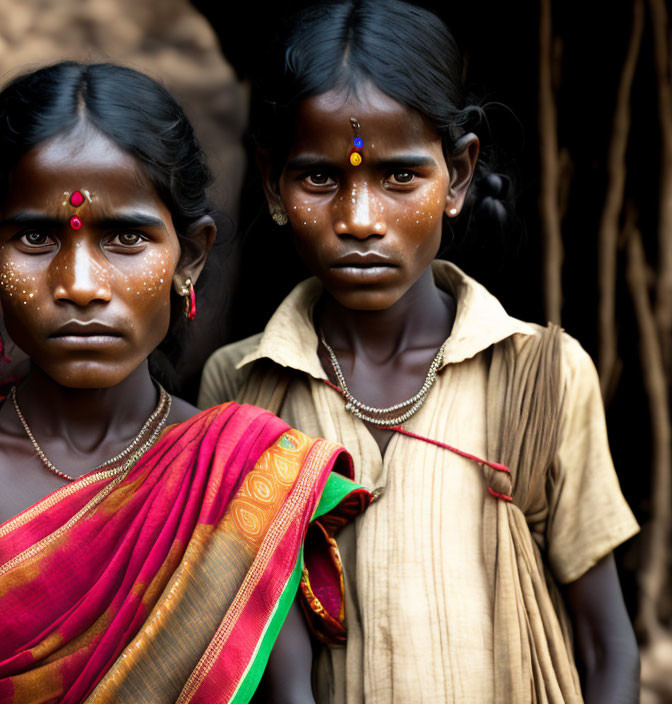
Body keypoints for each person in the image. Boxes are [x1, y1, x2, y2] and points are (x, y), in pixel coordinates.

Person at [0, 61, 370, 704]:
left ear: (191, 256)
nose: (79, 286)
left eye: (126, 236)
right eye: (37, 237)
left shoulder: (245, 481)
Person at [199, 1, 640, 702]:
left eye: (401, 176)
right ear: (271, 182)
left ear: (458, 175)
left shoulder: (543, 376)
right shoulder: (243, 385)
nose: (360, 219)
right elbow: (242, 636)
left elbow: (606, 645)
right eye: (320, 178)